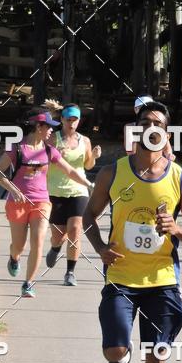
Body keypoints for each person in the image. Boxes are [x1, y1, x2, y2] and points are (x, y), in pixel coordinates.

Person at [83, 101, 182, 363]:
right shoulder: (112, 173)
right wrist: (99, 248)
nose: (151, 127)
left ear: (166, 134)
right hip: (120, 278)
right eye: (145, 122)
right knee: (116, 347)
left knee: (158, 354)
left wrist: (177, 229)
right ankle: (119, 361)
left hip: (162, 281)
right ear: (135, 130)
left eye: (158, 123)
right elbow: (89, 216)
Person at [0, 107, 93, 298]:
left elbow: (70, 171)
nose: (51, 131)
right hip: (17, 203)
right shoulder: (17, 148)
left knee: (38, 242)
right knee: (19, 246)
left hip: (42, 202)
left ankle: (28, 283)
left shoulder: (49, 151)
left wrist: (89, 184)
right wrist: (13, 189)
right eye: (48, 127)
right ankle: (14, 257)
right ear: (38, 127)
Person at [46, 104, 102, 286]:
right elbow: (40, 163)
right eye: (68, 120)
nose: (71, 123)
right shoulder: (52, 139)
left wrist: (93, 156)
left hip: (79, 190)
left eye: (75, 120)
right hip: (55, 191)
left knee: (75, 230)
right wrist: (54, 157)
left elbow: (87, 166)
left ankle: (70, 272)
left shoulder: (84, 141)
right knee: (59, 234)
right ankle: (55, 247)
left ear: (79, 121)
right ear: (61, 119)